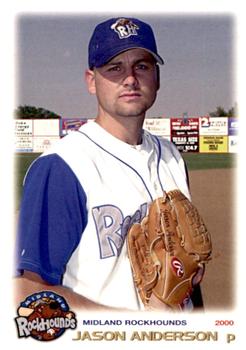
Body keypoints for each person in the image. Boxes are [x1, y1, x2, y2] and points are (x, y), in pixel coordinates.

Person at [14, 17, 203, 311]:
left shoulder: (172, 158)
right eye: (114, 68)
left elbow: (188, 276)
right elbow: (27, 292)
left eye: (141, 66)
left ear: (157, 77)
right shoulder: (62, 166)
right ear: (91, 81)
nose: (130, 78)